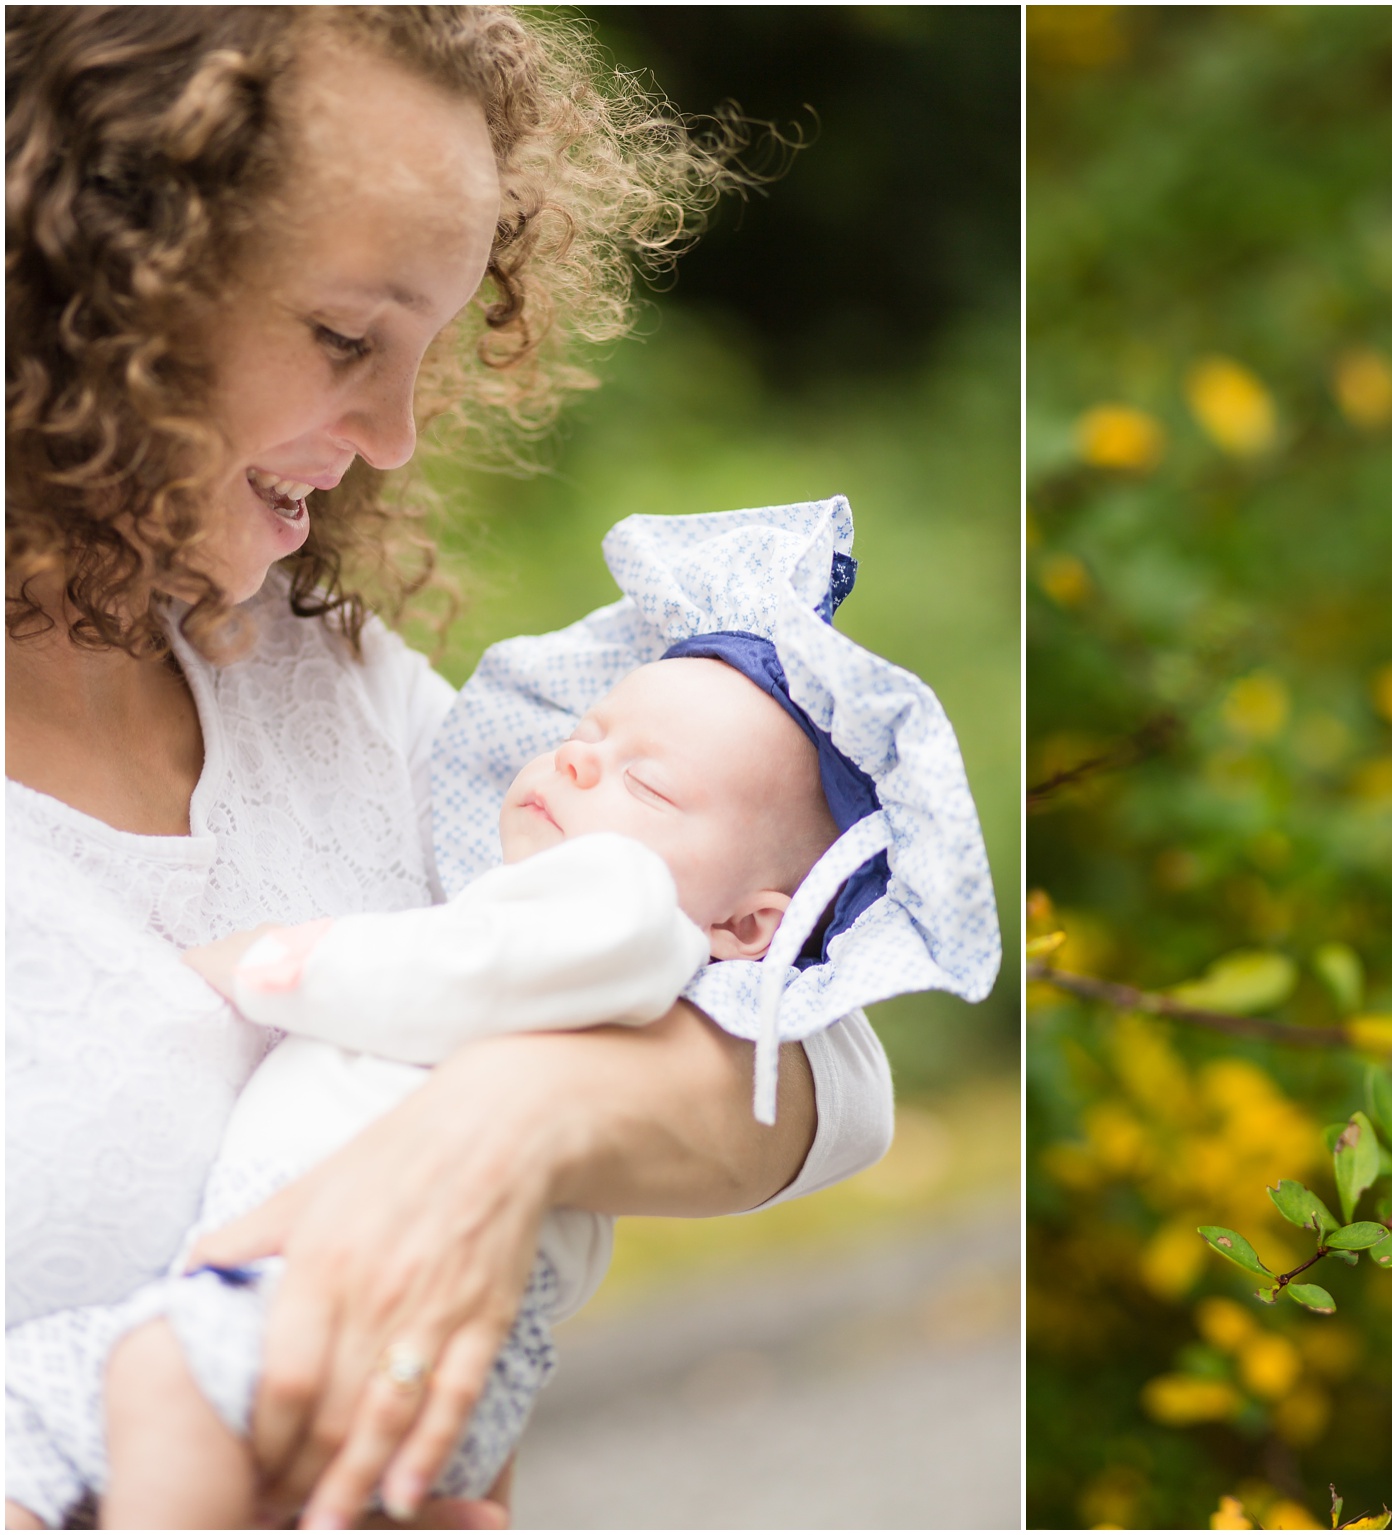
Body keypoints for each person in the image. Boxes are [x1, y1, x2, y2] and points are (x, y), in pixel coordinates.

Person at [5, 9, 896, 1528]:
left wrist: (501, 1129)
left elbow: (829, 1067)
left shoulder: (324, 690)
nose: (401, 436)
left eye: (428, 348)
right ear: (86, 285)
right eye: (347, 339)